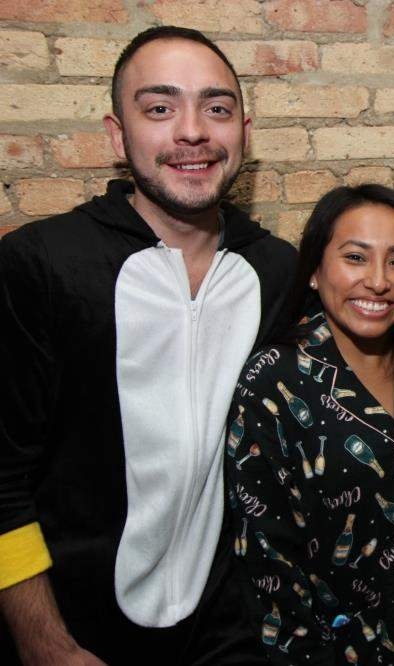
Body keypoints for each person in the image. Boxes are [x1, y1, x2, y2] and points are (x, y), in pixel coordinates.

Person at [0, 26, 295, 664]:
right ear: (118, 135)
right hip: (75, 632)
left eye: (217, 108)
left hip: (228, 632)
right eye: (160, 108)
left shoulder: (278, 271)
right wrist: (44, 643)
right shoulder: (42, 264)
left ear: (244, 132)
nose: (193, 131)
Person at [227, 184, 394, 664]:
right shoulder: (273, 383)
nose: (378, 281)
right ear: (314, 270)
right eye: (355, 257)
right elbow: (268, 561)